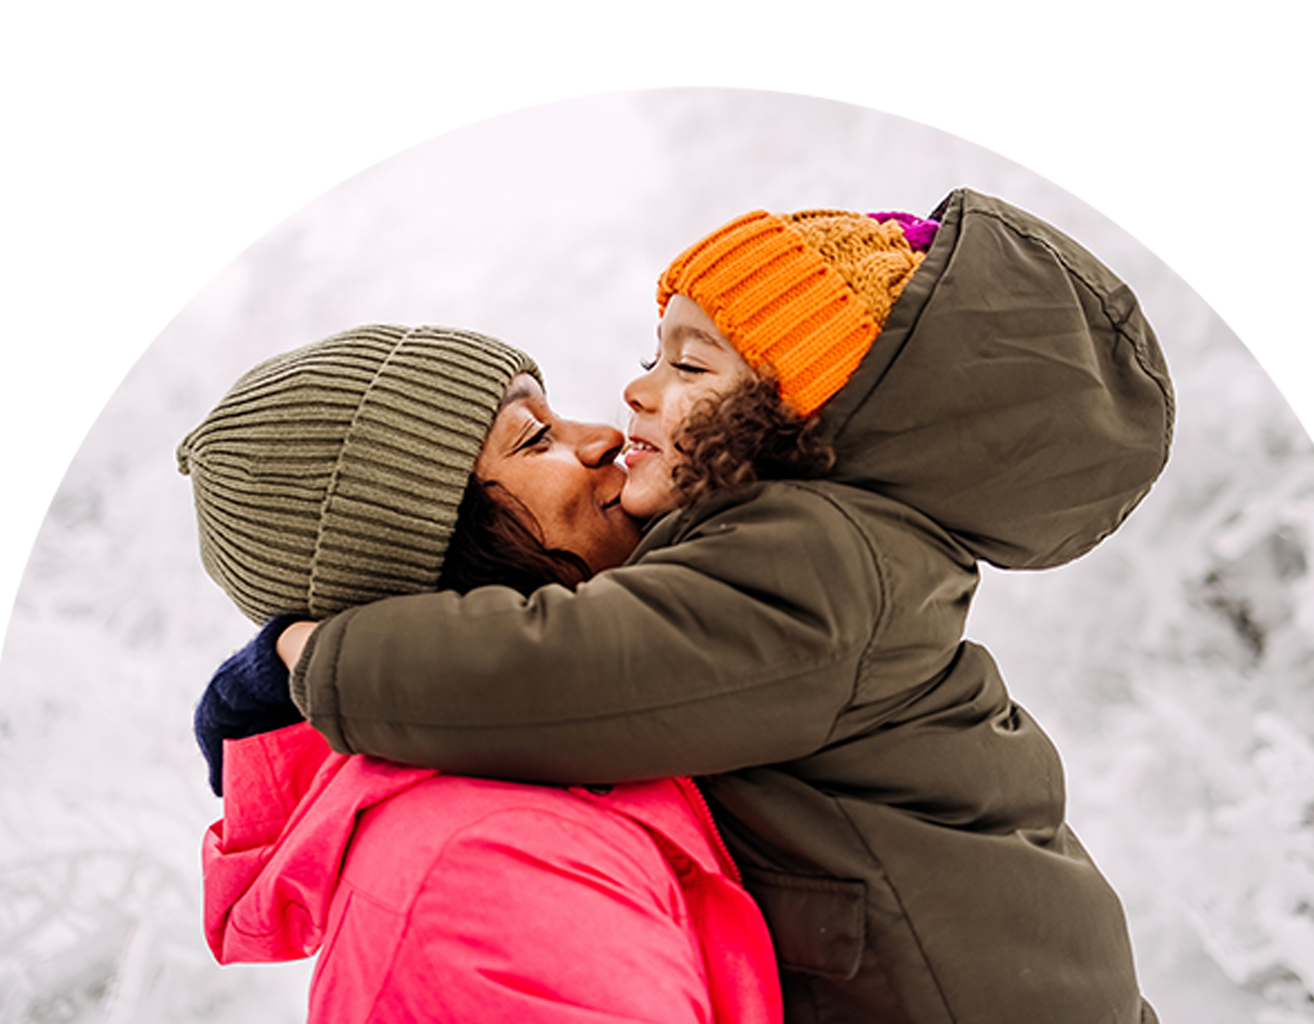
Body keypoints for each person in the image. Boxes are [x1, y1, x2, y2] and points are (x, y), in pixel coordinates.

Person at [271, 189, 1174, 1023]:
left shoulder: (820, 553)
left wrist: (328, 660)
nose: (632, 394)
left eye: (690, 365)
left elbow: (582, 670)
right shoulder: (801, 546)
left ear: (792, 410)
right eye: (649, 355)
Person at [176, 325, 781, 1024]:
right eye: (535, 438)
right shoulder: (489, 856)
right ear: (430, 555)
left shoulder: (592, 755)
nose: (603, 437)